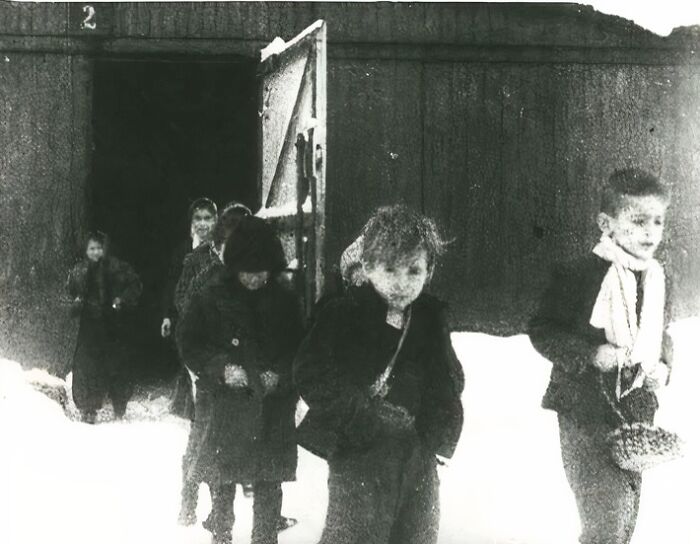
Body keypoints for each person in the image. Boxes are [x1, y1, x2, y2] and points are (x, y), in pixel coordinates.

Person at [294, 204, 465, 544]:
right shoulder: (343, 315)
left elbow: (448, 379)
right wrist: (359, 417)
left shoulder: (429, 319)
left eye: (414, 271)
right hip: (360, 450)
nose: (402, 283)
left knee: (416, 533)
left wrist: (433, 432)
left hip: (415, 453)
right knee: (356, 534)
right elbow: (311, 372)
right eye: (390, 269)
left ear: (428, 271)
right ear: (369, 267)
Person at [528, 168, 673, 544]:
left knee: (624, 520)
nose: (650, 232)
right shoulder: (579, 274)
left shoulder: (655, 279)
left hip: (635, 414)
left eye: (657, 221)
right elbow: (543, 328)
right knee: (604, 523)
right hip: (584, 413)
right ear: (606, 223)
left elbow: (662, 333)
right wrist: (589, 353)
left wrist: (663, 366)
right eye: (638, 220)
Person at [177, 216, 303, 544]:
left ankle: (265, 538)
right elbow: (189, 340)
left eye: (261, 272)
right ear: (234, 265)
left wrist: (281, 375)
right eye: (246, 271)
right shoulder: (212, 294)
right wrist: (221, 369)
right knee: (223, 481)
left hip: (271, 408)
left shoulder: (285, 300)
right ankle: (221, 536)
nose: (253, 279)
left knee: (268, 481)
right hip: (228, 405)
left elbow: (301, 349)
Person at [173, 200, 252, 526]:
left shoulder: (251, 274)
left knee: (226, 442)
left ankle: (220, 515)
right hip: (205, 370)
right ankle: (188, 502)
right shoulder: (200, 267)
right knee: (201, 438)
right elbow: (184, 307)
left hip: (237, 373)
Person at [67, 231, 142, 423]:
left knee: (117, 365)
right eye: (92, 248)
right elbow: (71, 290)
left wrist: (121, 300)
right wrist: (77, 301)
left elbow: (134, 284)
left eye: (99, 248)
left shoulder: (116, 267)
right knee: (87, 366)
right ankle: (88, 408)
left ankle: (119, 406)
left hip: (113, 325)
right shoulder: (79, 270)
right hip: (90, 326)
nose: (96, 252)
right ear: (85, 250)